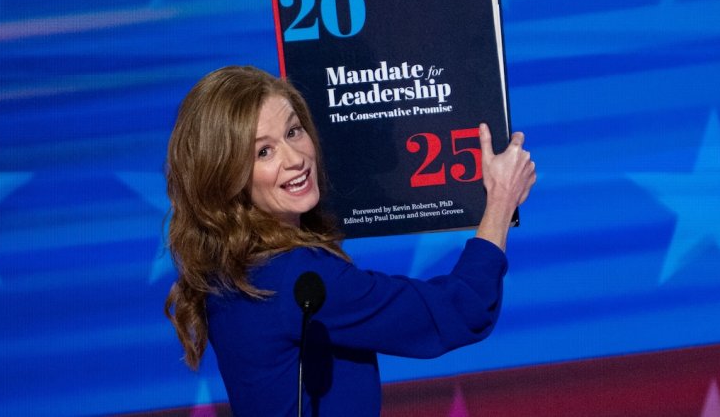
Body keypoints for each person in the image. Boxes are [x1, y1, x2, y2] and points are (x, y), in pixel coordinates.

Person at [164, 65, 536, 416]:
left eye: (293, 132)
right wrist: (501, 200)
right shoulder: (298, 279)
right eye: (264, 151)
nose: (295, 159)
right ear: (225, 175)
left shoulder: (229, 268)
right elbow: (463, 310)